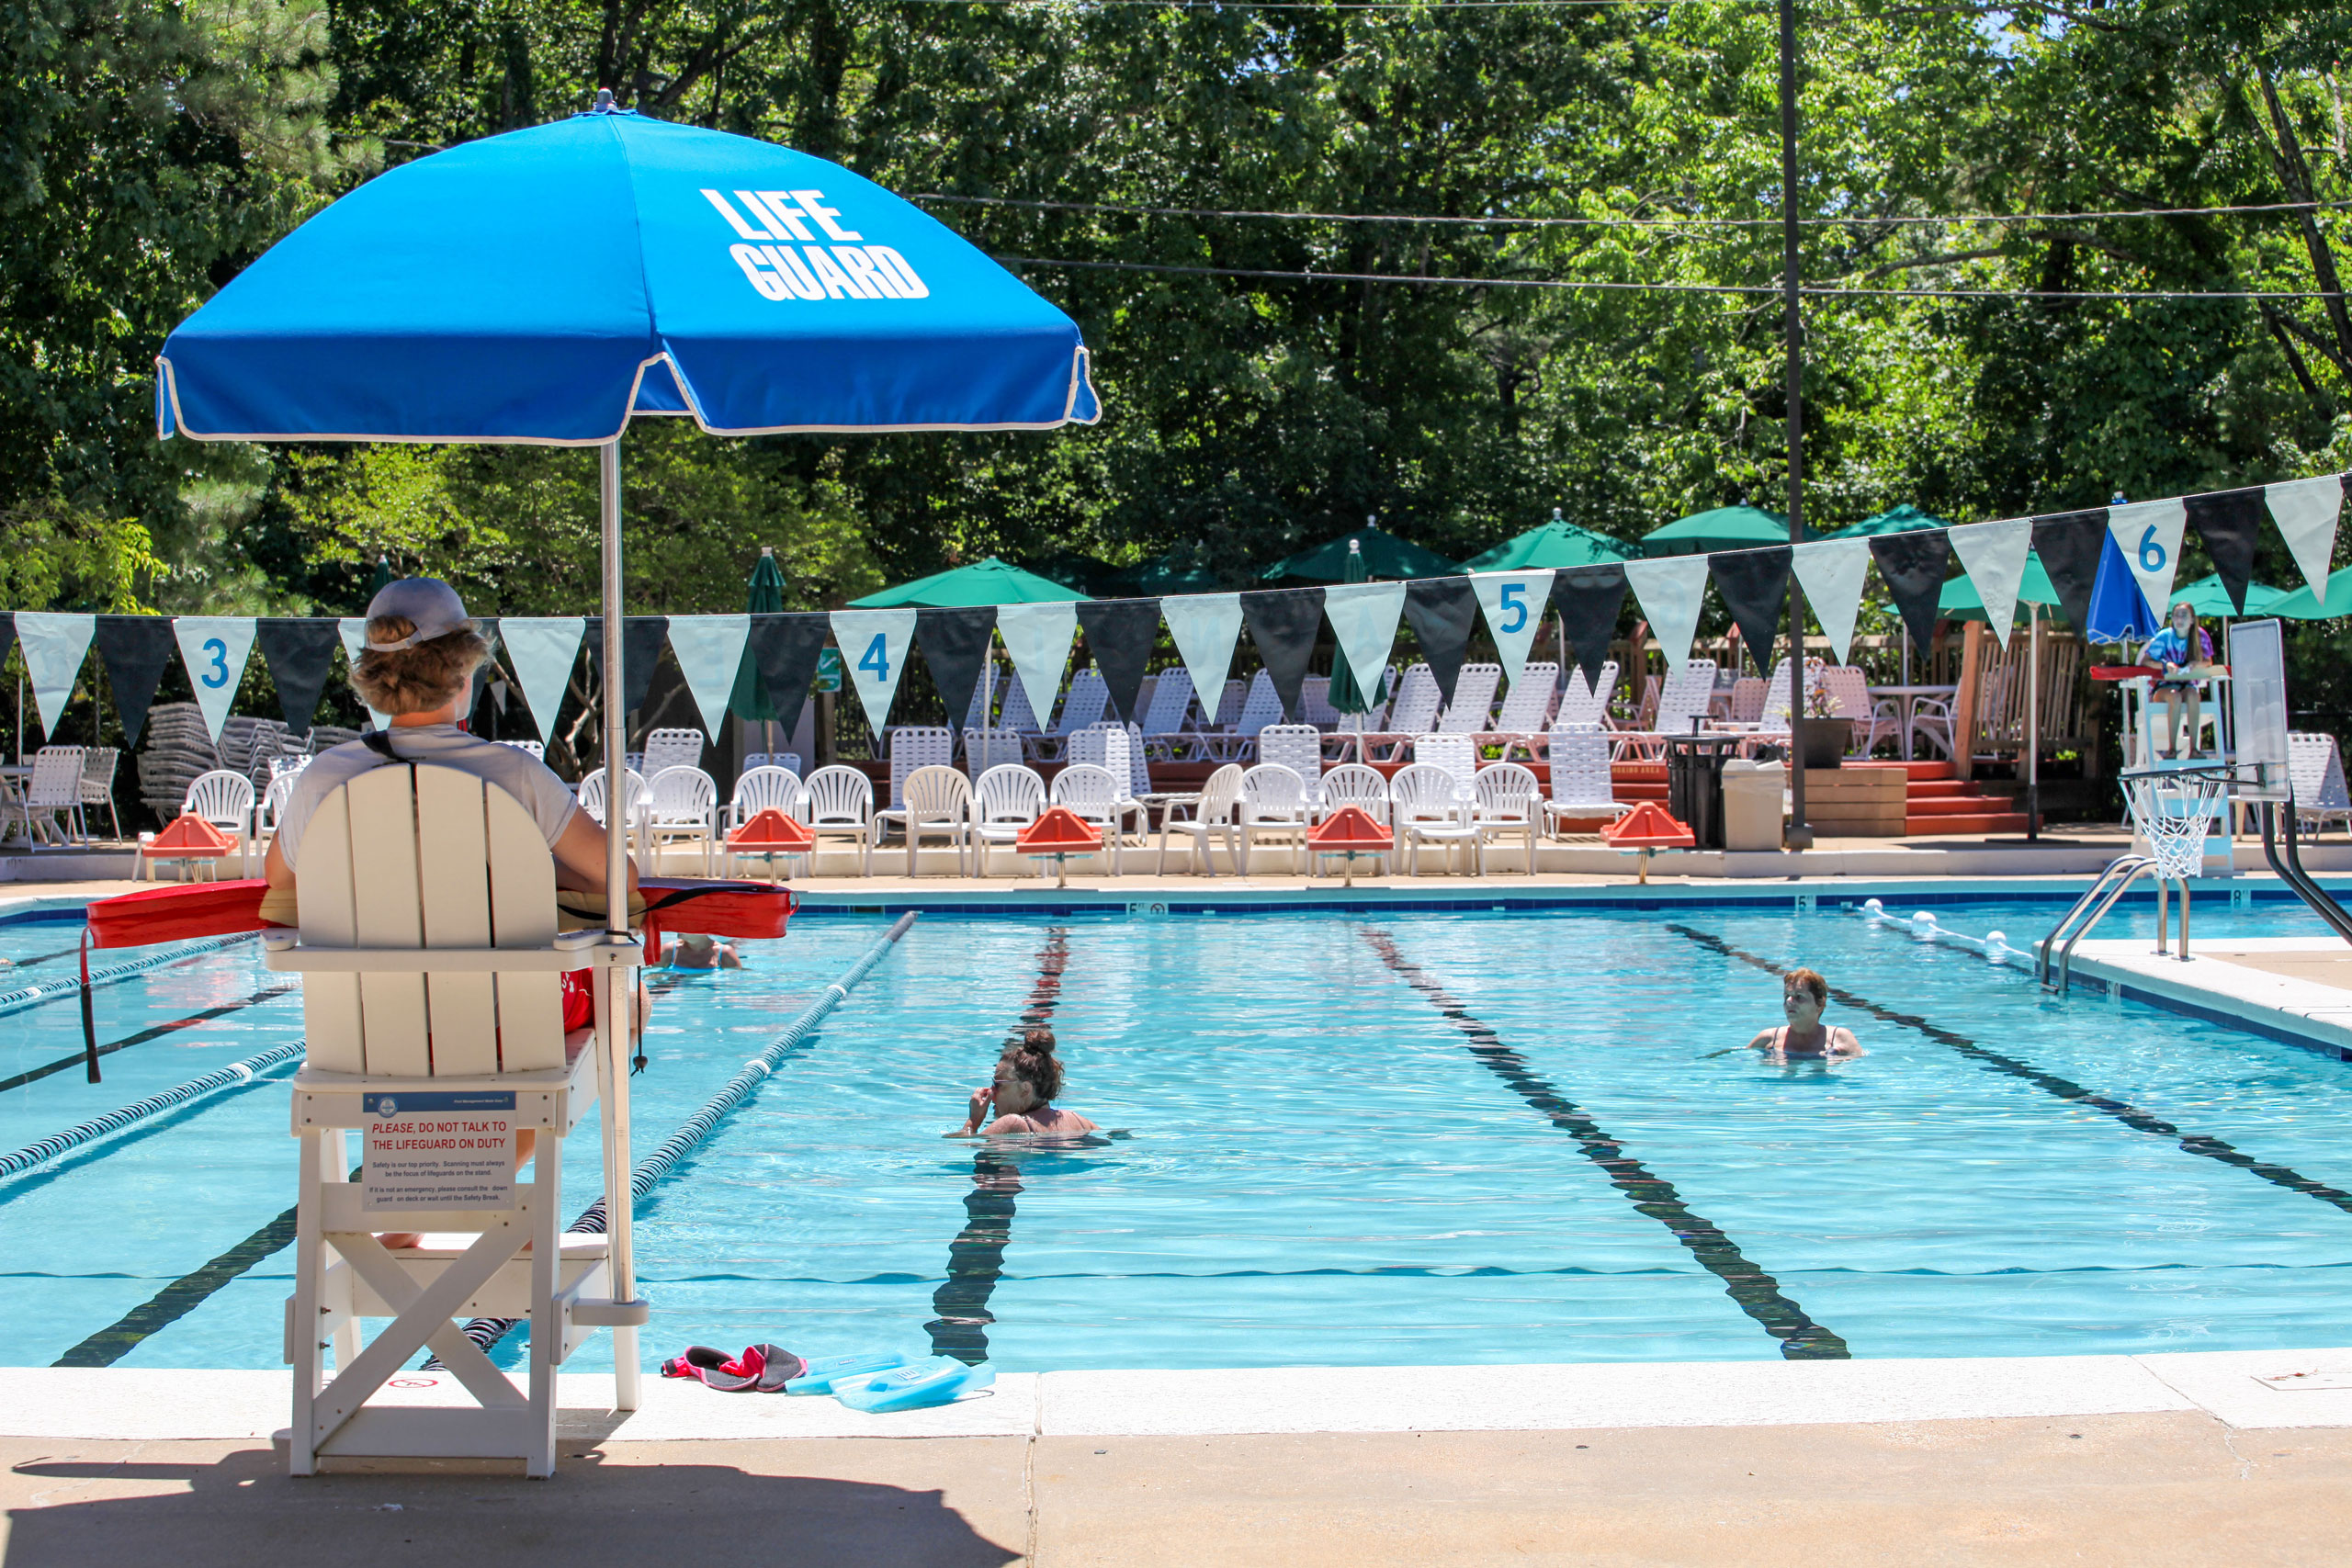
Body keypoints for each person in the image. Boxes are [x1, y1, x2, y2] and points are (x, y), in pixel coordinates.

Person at [264, 576, 643, 1246]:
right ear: (463, 672)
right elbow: (622, 878)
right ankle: (474, 1182)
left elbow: (277, 884)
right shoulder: (515, 777)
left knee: (419, 1014)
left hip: (363, 1034)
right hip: (504, 1029)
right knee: (629, 1002)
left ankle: (410, 1204)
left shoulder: (325, 780)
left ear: (373, 681)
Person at [953, 1026, 1099, 1136]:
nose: (991, 1091)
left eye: (998, 1084)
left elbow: (960, 1148)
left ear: (1025, 1089)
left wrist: (973, 1122)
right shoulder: (1076, 1120)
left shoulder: (1013, 1123)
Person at [2143, 599, 2218, 760]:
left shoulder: (2200, 636)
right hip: (2163, 688)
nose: (2180, 619)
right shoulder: (2164, 637)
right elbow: (2146, 661)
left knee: (2192, 695)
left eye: (2184, 615)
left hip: (2188, 685)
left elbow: (2208, 663)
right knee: (2175, 696)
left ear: (2192, 620)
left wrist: (2195, 664)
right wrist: (2165, 665)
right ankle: (2171, 749)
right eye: (2176, 615)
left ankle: (2194, 749)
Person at [1744, 968, 1863, 1061]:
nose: (1789, 1001)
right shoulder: (1767, 1039)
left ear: (1820, 1004)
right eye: (1786, 996)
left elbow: (1860, 1069)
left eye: (1799, 997)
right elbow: (1743, 1065)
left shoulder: (1840, 1037)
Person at [670, 932, 741, 970]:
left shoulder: (724, 952)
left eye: (685, 923)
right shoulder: (670, 950)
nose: (678, 926)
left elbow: (735, 983)